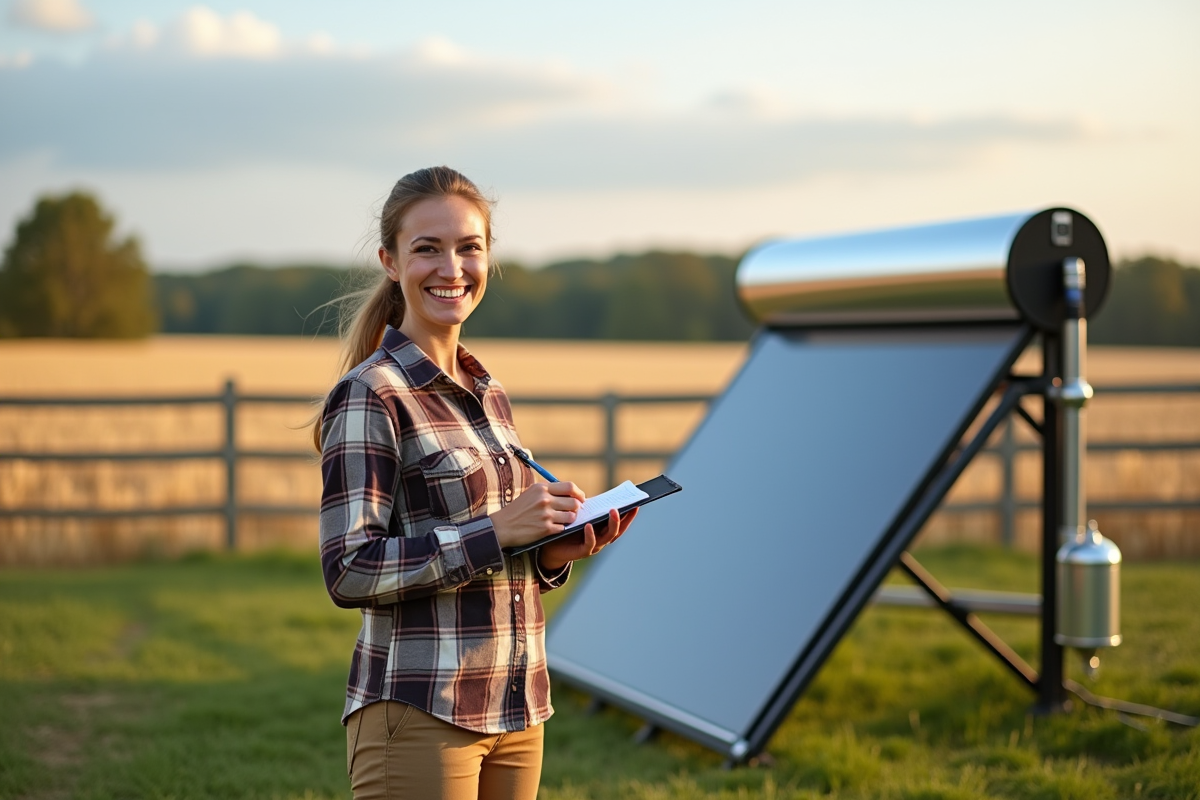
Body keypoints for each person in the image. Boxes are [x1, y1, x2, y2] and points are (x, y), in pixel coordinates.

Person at [312, 166, 637, 800]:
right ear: (390, 260)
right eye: (427, 248)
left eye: (469, 247)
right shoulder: (370, 397)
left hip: (517, 707)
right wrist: (496, 531)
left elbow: (491, 545)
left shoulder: (487, 392)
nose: (451, 267)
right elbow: (348, 569)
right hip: (421, 710)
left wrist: (547, 552)